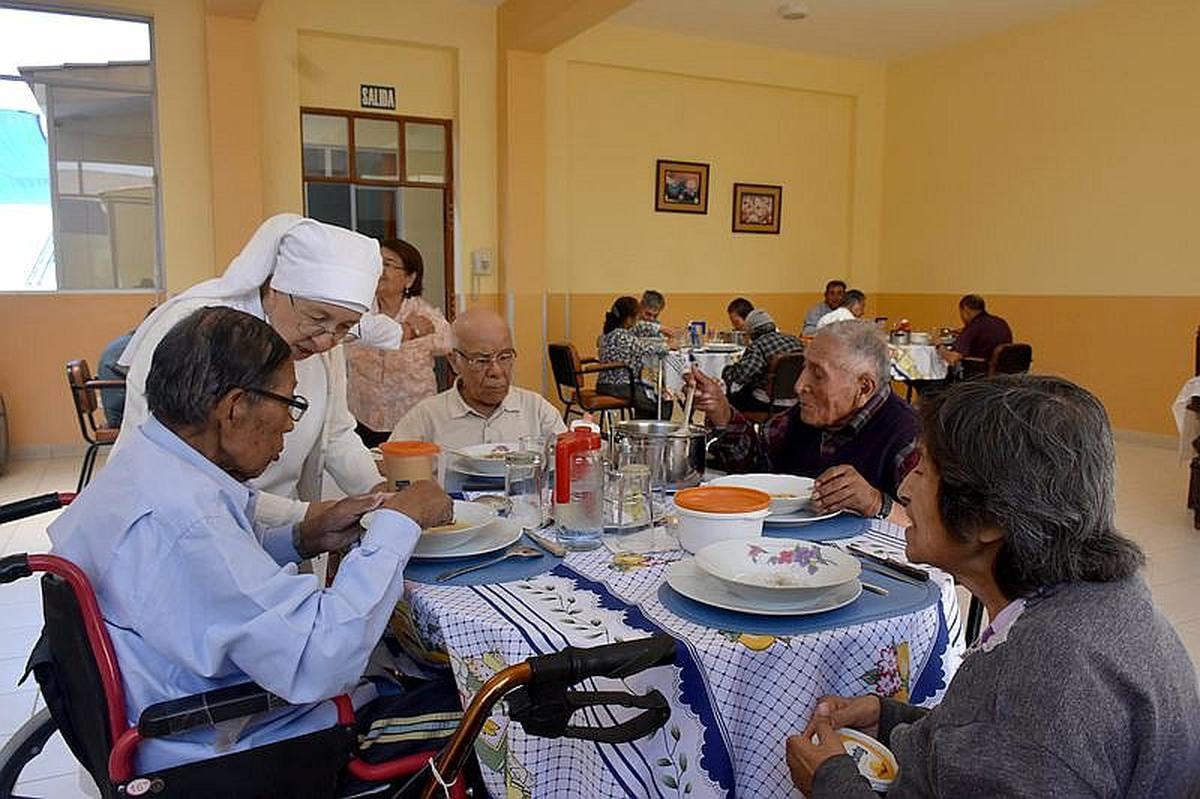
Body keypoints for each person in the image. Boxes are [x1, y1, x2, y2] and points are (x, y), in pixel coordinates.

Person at [48, 307, 463, 777]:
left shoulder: (147, 468)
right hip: (243, 746)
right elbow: (321, 656)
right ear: (235, 407)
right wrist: (400, 523)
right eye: (288, 403)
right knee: (493, 710)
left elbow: (208, 586)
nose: (290, 424)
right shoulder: (187, 521)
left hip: (185, 705)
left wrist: (302, 536)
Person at [786, 375, 1200, 797]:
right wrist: (891, 718)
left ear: (989, 519)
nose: (905, 488)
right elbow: (987, 747)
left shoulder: (1042, 687)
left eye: (925, 469)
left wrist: (831, 782)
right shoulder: (1109, 598)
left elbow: (1017, 737)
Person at [113, 214, 419, 529]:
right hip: (189, 524)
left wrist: (378, 493)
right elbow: (175, 466)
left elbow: (337, 432)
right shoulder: (197, 332)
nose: (327, 339)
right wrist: (306, 516)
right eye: (317, 317)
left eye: (344, 327)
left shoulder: (324, 346)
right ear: (274, 288)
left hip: (284, 528)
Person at [692, 320, 916, 521]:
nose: (799, 385)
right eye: (804, 367)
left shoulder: (909, 436)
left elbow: (938, 534)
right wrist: (722, 412)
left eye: (818, 374)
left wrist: (876, 503)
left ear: (864, 387)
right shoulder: (802, 417)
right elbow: (755, 464)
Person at [390, 307, 565, 448]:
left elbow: (573, 464)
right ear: (454, 362)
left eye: (505, 357)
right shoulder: (427, 417)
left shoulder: (536, 410)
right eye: (481, 360)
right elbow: (383, 464)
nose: (496, 371)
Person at [346, 239, 451, 448]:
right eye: (377, 263)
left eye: (388, 264)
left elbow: (451, 344)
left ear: (410, 278)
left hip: (410, 420)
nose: (380, 270)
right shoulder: (359, 313)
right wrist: (407, 330)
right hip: (361, 416)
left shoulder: (425, 315)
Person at [594, 296, 673, 420]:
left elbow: (640, 329)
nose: (638, 321)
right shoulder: (622, 336)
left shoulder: (608, 333)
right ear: (629, 319)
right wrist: (668, 346)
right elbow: (645, 348)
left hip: (604, 384)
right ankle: (658, 436)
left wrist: (662, 329)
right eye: (637, 317)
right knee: (663, 399)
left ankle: (643, 433)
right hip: (620, 387)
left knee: (647, 396)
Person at [721, 309, 803, 414]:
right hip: (797, 401)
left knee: (731, 398)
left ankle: (737, 429)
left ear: (752, 332)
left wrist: (727, 371)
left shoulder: (758, 346)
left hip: (767, 402)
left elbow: (742, 375)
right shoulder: (795, 340)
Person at [938, 293, 1012, 367]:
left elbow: (952, 359)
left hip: (979, 373)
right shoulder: (1000, 322)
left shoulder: (974, 327)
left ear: (966, 310)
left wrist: (938, 345)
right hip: (1003, 372)